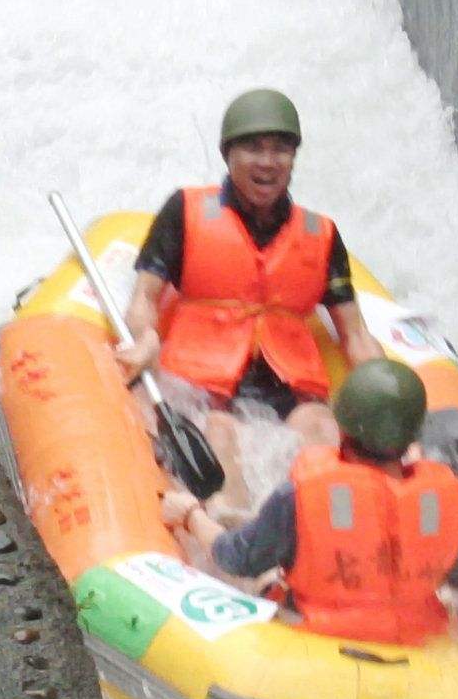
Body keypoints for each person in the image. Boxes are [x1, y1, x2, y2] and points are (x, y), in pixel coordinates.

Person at [113, 90, 385, 500]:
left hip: (286, 386)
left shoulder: (322, 235)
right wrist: (146, 338)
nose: (267, 162)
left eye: (280, 150)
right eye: (253, 149)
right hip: (205, 380)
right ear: (229, 156)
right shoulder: (185, 212)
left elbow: (356, 334)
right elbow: (144, 298)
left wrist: (387, 395)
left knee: (318, 429)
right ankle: (227, 540)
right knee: (219, 435)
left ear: (293, 159)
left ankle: (325, 541)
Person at [166, 358, 458, 646]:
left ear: (342, 429)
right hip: (418, 646)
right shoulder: (443, 502)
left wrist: (192, 516)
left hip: (318, 644)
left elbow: (234, 558)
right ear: (414, 438)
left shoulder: (297, 496)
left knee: (264, 575)